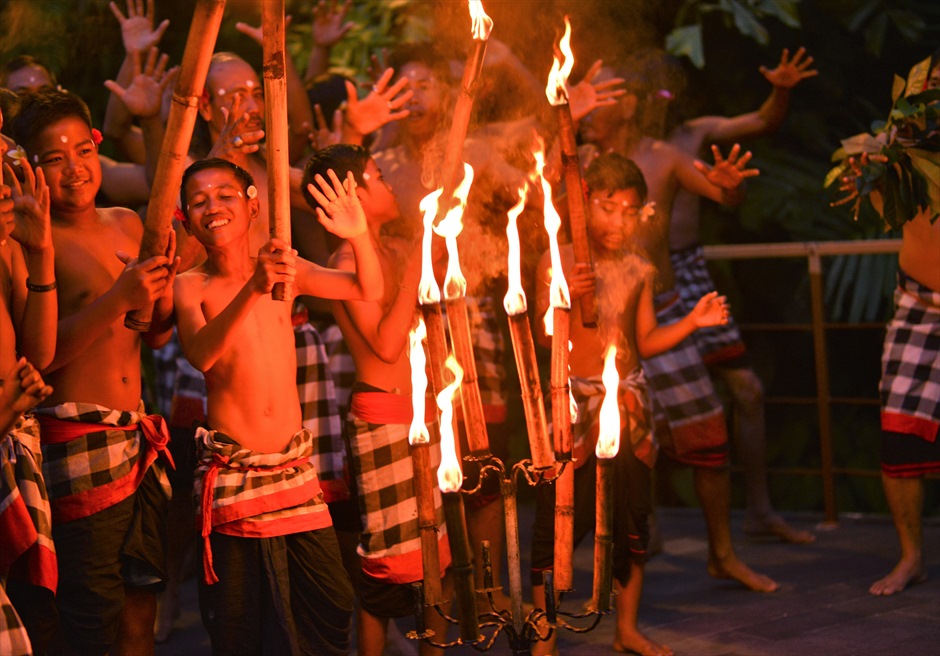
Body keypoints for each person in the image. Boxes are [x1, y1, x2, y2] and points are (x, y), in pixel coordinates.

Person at [174, 156, 381, 653]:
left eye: (225, 195)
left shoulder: (284, 268)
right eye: (198, 201)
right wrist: (254, 286)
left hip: (293, 471)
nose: (213, 206)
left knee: (330, 602)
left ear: (253, 206)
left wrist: (358, 235)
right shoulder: (190, 285)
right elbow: (203, 355)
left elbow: (365, 288)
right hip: (234, 474)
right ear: (184, 218)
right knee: (240, 620)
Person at [530, 153, 734, 656]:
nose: (618, 221)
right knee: (556, 522)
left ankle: (627, 629)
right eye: (607, 208)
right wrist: (560, 295)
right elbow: (541, 335)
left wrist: (693, 322)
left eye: (629, 210)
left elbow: (644, 337)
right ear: (582, 205)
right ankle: (544, 637)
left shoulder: (638, 266)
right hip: (572, 402)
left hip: (628, 403)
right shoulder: (554, 260)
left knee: (630, 520)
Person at [10, 88, 178, 656]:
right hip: (76, 443)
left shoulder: (127, 222)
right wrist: (118, 297)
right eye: (55, 160)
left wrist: (163, 289)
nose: (75, 170)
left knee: (141, 604)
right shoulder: (27, 243)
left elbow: (154, 334)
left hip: (138, 436)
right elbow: (38, 360)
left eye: (83, 152)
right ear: (29, 168)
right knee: (93, 611)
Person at [302, 144, 452, 655]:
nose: (388, 184)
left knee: (433, 556)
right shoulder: (345, 259)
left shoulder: (385, 247)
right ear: (353, 195)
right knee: (389, 569)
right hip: (384, 421)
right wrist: (417, 265)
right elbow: (387, 346)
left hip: (417, 412)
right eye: (377, 176)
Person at [663, 47, 818, 543]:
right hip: (638, 281)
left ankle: (759, 509)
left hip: (689, 272)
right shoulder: (607, 147)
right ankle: (637, 526)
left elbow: (760, 122)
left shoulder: (691, 135)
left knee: (746, 388)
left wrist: (781, 90)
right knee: (631, 404)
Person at [829, 52, 940, 596]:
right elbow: (885, 211)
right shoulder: (899, 154)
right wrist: (868, 171)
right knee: (899, 435)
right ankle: (911, 557)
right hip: (918, 306)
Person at [0, 126, 58, 654]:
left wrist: (40, 254)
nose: (4, 182)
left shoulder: (7, 250)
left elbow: (38, 357)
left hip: (13, 446)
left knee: (36, 615)